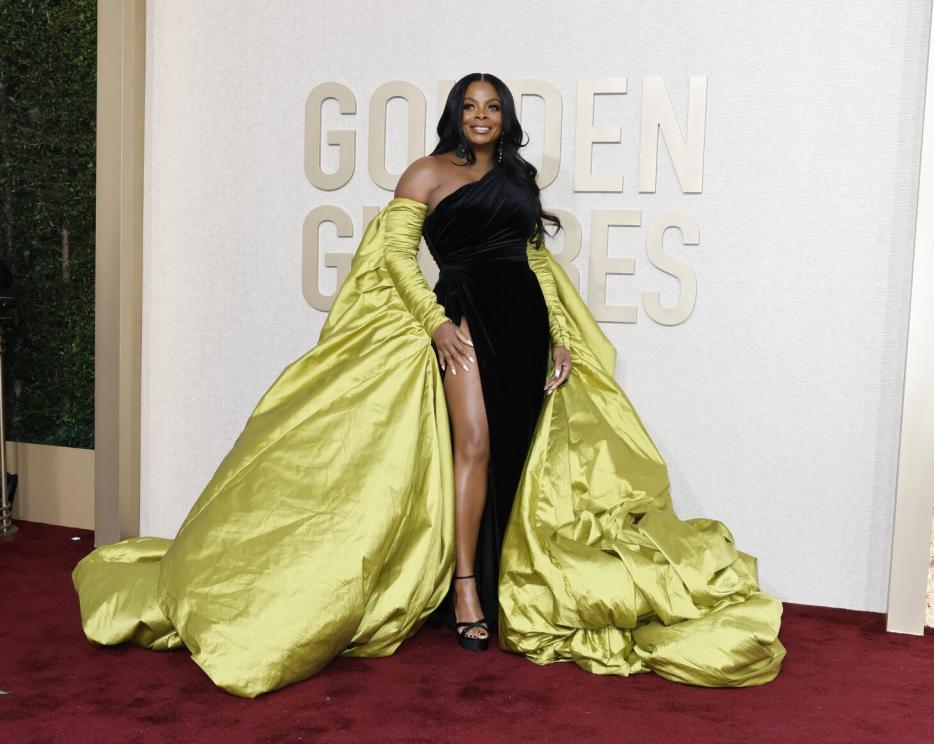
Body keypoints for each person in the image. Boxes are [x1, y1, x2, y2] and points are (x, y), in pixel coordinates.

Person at [72, 73, 786, 699]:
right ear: (454, 112)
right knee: (471, 445)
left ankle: (500, 579)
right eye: (470, 105)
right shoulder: (424, 173)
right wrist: (437, 324)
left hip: (525, 322)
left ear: (504, 117)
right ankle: (465, 589)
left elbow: (534, 261)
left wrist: (562, 337)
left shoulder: (518, 178)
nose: (481, 115)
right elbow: (390, 256)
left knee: (510, 452)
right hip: (465, 315)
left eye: (493, 106)